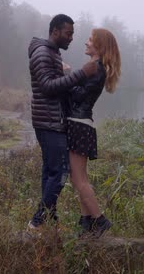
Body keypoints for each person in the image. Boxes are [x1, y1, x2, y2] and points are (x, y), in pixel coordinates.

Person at [27, 14, 98, 230]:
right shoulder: (42, 53)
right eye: (68, 34)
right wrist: (80, 74)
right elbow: (48, 87)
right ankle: (38, 221)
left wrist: (69, 75)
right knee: (59, 171)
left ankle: (49, 217)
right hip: (48, 122)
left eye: (73, 34)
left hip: (51, 120)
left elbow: (57, 84)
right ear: (55, 31)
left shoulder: (53, 53)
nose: (71, 38)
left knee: (50, 170)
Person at [66, 28, 121, 238]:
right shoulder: (96, 68)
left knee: (79, 179)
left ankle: (99, 220)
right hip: (82, 124)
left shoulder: (95, 69)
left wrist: (67, 75)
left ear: (99, 46)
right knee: (80, 178)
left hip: (78, 124)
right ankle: (86, 221)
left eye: (90, 40)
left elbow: (78, 97)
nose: (86, 43)